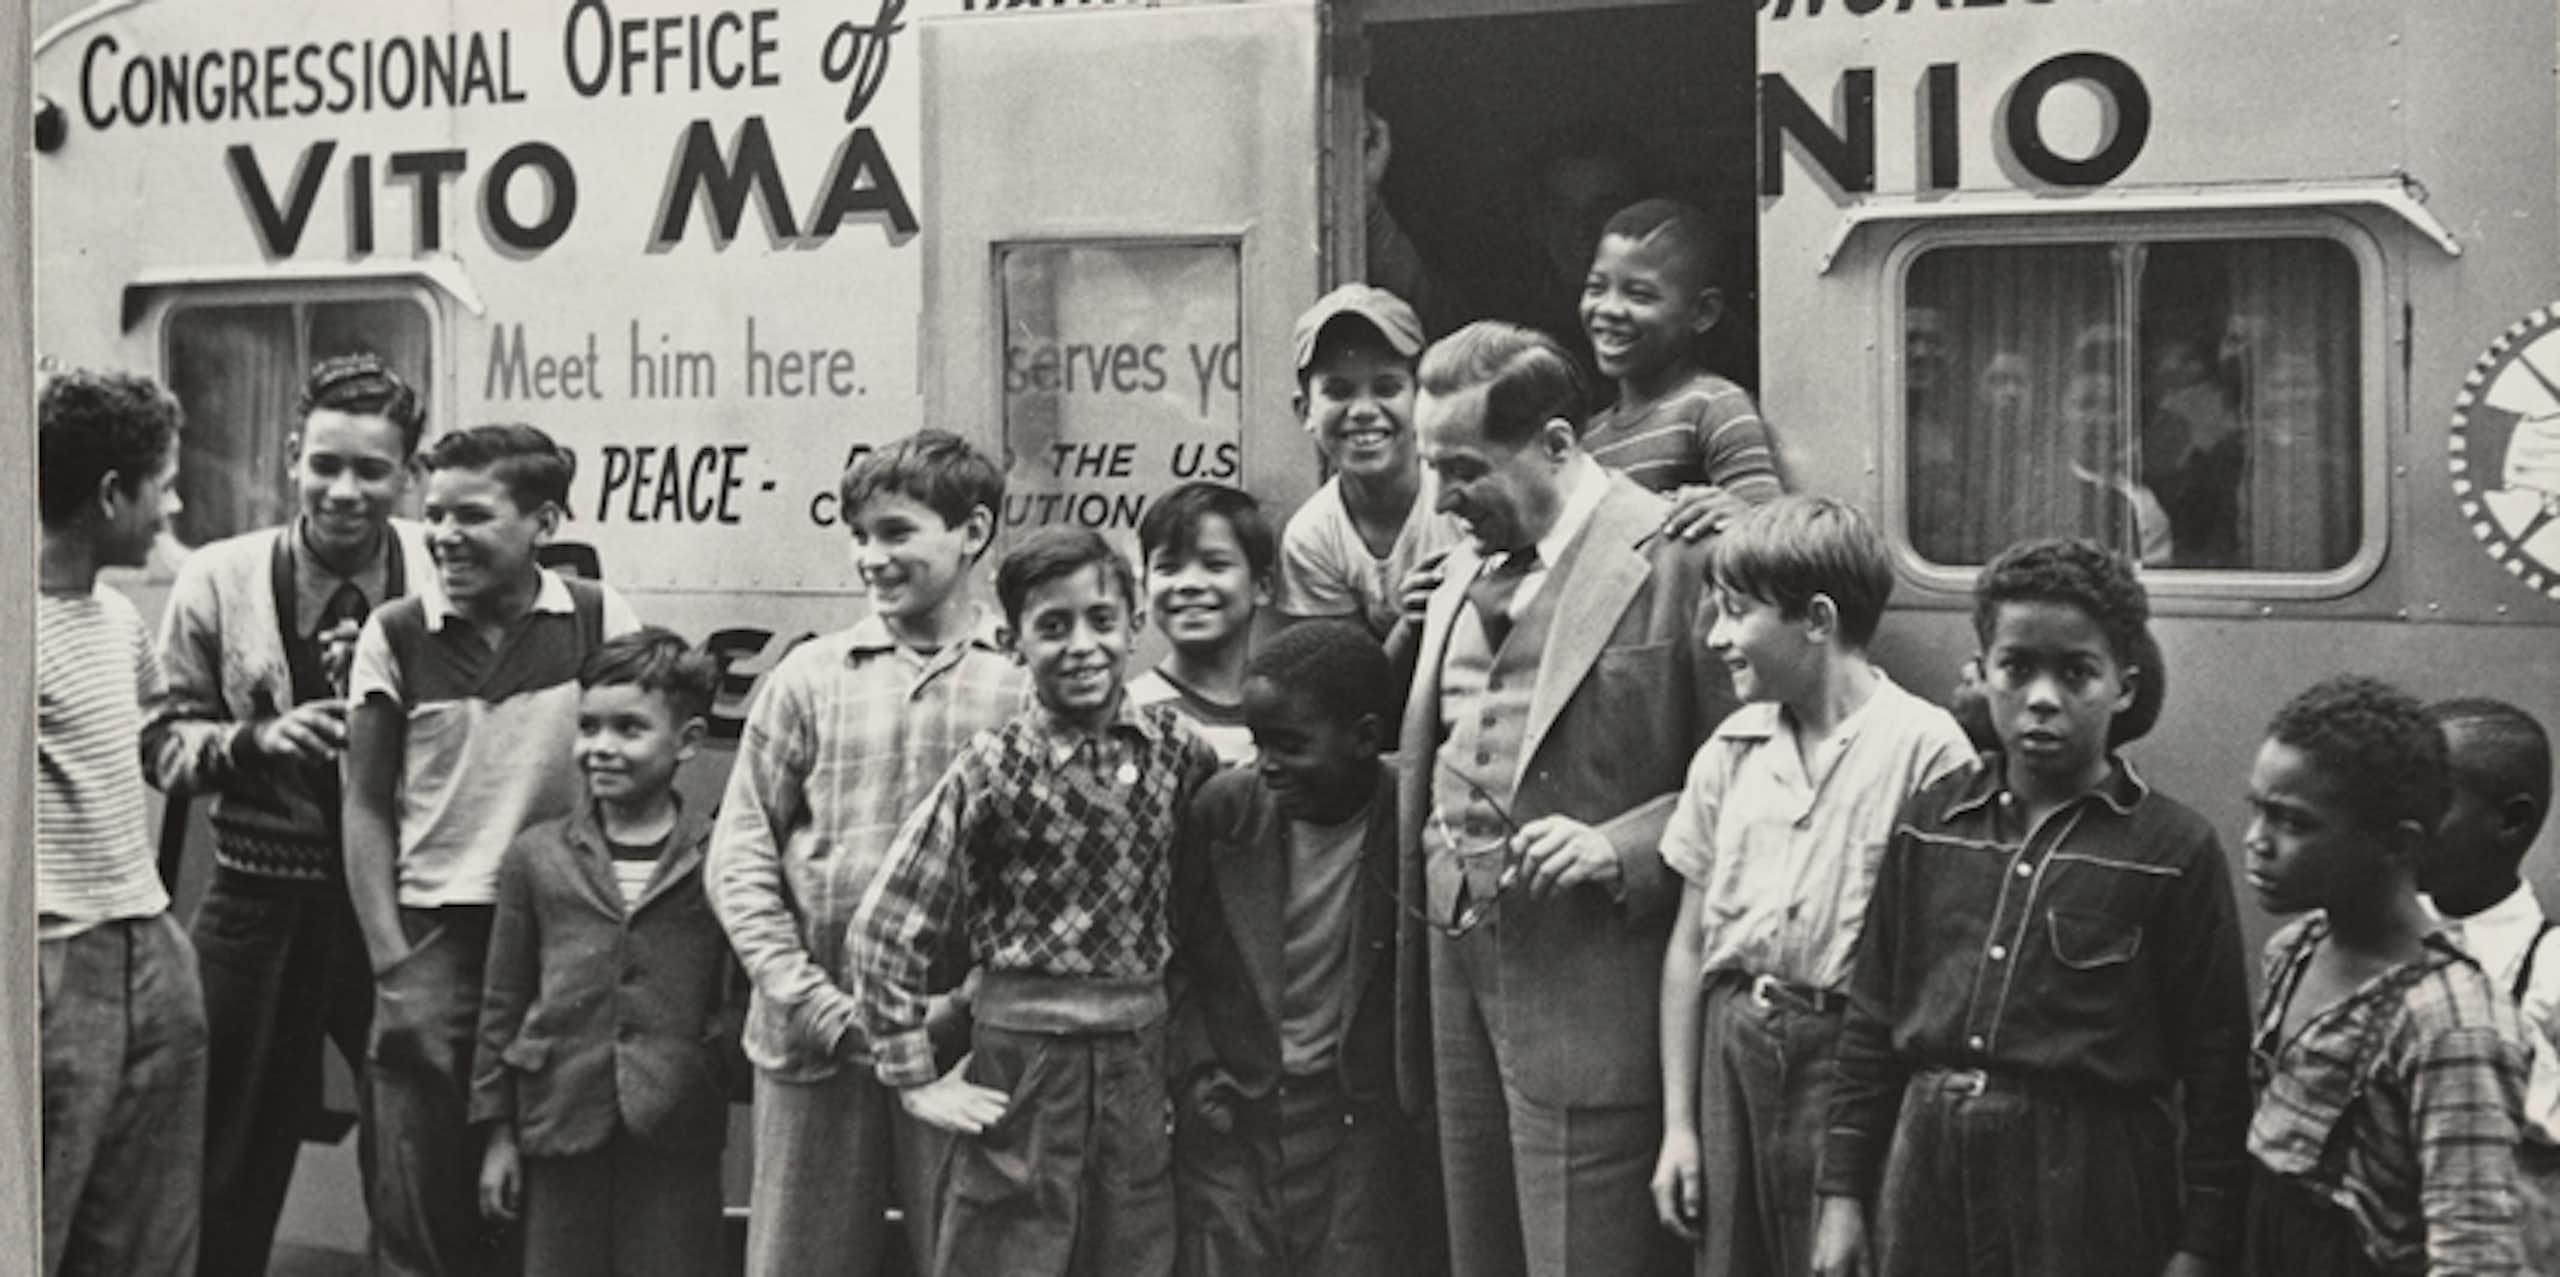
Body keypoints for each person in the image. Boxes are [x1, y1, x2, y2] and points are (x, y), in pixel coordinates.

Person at [1812, 538, 2251, 1277]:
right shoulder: (1929, 820)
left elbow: (2216, 1066)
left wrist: (2202, 1244)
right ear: (1983, 676)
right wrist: (1842, 1194)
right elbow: (1872, 1018)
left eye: (2077, 671)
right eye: (2017, 668)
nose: (2042, 697)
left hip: (2090, 1186)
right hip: (1929, 1170)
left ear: (2124, 686)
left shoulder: (2173, 849)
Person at [1401, 321, 1731, 1277]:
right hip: (1457, 983)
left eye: (1463, 468)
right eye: (1433, 467)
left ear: (1555, 442)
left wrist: (1620, 846)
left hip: (1594, 1001)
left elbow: (1747, 773)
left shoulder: (1684, 555)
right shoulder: (1461, 563)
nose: (1443, 497)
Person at [850, 528, 1221, 1277]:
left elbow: (1199, 904)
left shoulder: (1181, 752)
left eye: (1102, 620)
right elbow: (884, 928)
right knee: (1007, 1246)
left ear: (1134, 623)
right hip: (1021, 1063)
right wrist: (913, 1076)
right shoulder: (991, 767)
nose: (1082, 645)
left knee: (1135, 1243)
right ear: (1015, 641)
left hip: (1138, 1059)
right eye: (1053, 626)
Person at [707, 428, 1024, 1277]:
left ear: (974, 531)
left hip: (961, 1042)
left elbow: (1046, 881)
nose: (871, 557)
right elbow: (739, 857)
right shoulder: (810, 676)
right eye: (859, 536)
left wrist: (959, 1005)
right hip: (815, 1042)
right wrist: (815, 1003)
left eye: (896, 532)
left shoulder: (1021, 682)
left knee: (969, 1254)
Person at [145, 353, 433, 1277]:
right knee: (226, 1155)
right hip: (254, 906)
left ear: (409, 474)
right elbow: (158, 742)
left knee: (419, 1149)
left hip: (402, 912)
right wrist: (251, 743)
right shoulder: (218, 577)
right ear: (290, 456)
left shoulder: (442, 566)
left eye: (373, 470)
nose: (345, 491)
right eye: (325, 464)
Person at [343, 423, 640, 1277]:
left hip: (559, 935)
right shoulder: (395, 634)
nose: (443, 535)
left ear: (543, 521)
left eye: (472, 515)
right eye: (433, 514)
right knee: (414, 1195)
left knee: (542, 1195)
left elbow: (631, 769)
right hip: (434, 935)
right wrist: (393, 963)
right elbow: (364, 807)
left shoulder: (594, 614)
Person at [1651, 497, 1972, 1277]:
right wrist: (1680, 1126)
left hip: (1852, 1063)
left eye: (1735, 612)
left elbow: (1939, 973)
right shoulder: (1729, 752)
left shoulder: (1928, 753)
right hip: (1736, 1049)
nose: (1715, 637)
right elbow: (1690, 948)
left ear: (1818, 618)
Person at [1166, 621, 1437, 1277]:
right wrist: (1197, 1071)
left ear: (1367, 737)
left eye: (1290, 745)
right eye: (1258, 743)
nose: (1265, 765)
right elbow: (1176, 961)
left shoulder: (1413, 812)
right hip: (1239, 1112)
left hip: (1358, 1119)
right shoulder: (1224, 809)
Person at [471, 628, 743, 1277]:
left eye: (629, 728)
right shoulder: (536, 856)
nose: (601, 747)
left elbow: (736, 994)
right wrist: (497, 1134)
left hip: (674, 1127)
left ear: (687, 742)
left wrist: (703, 1063)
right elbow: (502, 999)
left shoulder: (719, 856)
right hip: (558, 1117)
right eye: (588, 726)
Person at [2241, 676, 2530, 1275]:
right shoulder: (2296, 949)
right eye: (2258, 811)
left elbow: (2474, 1250)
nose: (2256, 842)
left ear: (2397, 845)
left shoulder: (2449, 1022)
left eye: (2292, 822)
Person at [38, 368, 207, 1276]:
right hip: (56, 957)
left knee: (148, 1235)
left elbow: (160, 747)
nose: (172, 505)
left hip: (148, 939)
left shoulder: (114, 620)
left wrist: (255, 740)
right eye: (163, 484)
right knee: (40, 1222)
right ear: (110, 494)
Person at [2419, 697, 2558, 1270]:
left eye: (2431, 803)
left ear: (2511, 821)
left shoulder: (2549, 968)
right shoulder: (2377, 940)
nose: (2406, 822)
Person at [1272, 284, 1465, 678]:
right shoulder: (1313, 538)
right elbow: (1350, 690)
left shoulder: (1464, 498)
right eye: (1339, 391)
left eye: (1386, 388)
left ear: (1424, 397)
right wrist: (1409, 625)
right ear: (1305, 410)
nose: (1362, 410)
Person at [1578, 198, 1784, 543]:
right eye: (1596, 288)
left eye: (1640, 295)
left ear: (1703, 312)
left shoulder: (1713, 405)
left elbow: (1772, 535)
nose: (1609, 309)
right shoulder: (1589, 438)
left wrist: (1743, 515)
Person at [1133, 481, 1274, 766]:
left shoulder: (1286, 709)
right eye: (1168, 568)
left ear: (1262, 586)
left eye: (1215, 565)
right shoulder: (1132, 715)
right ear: (1145, 586)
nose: (1189, 584)